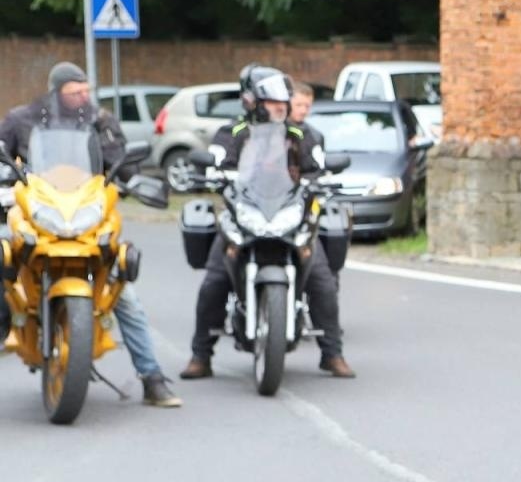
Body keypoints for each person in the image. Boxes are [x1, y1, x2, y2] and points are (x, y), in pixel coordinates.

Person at [0, 62, 182, 407]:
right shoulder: (22, 118)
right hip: (38, 213)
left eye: (86, 91)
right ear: (56, 92)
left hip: (86, 216)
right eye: (75, 92)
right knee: (5, 263)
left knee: (124, 295)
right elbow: (2, 152)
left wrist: (129, 176)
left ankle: (152, 378)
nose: (83, 97)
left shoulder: (101, 121)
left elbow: (123, 165)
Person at [180, 65, 355, 380]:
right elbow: (217, 163)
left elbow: (316, 167)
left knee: (323, 281)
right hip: (245, 213)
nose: (280, 108)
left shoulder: (301, 133)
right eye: (273, 103)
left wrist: (320, 178)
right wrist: (214, 174)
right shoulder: (232, 132)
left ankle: (332, 353)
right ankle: (200, 355)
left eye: (283, 103)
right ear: (251, 102)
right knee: (214, 281)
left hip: (290, 213)